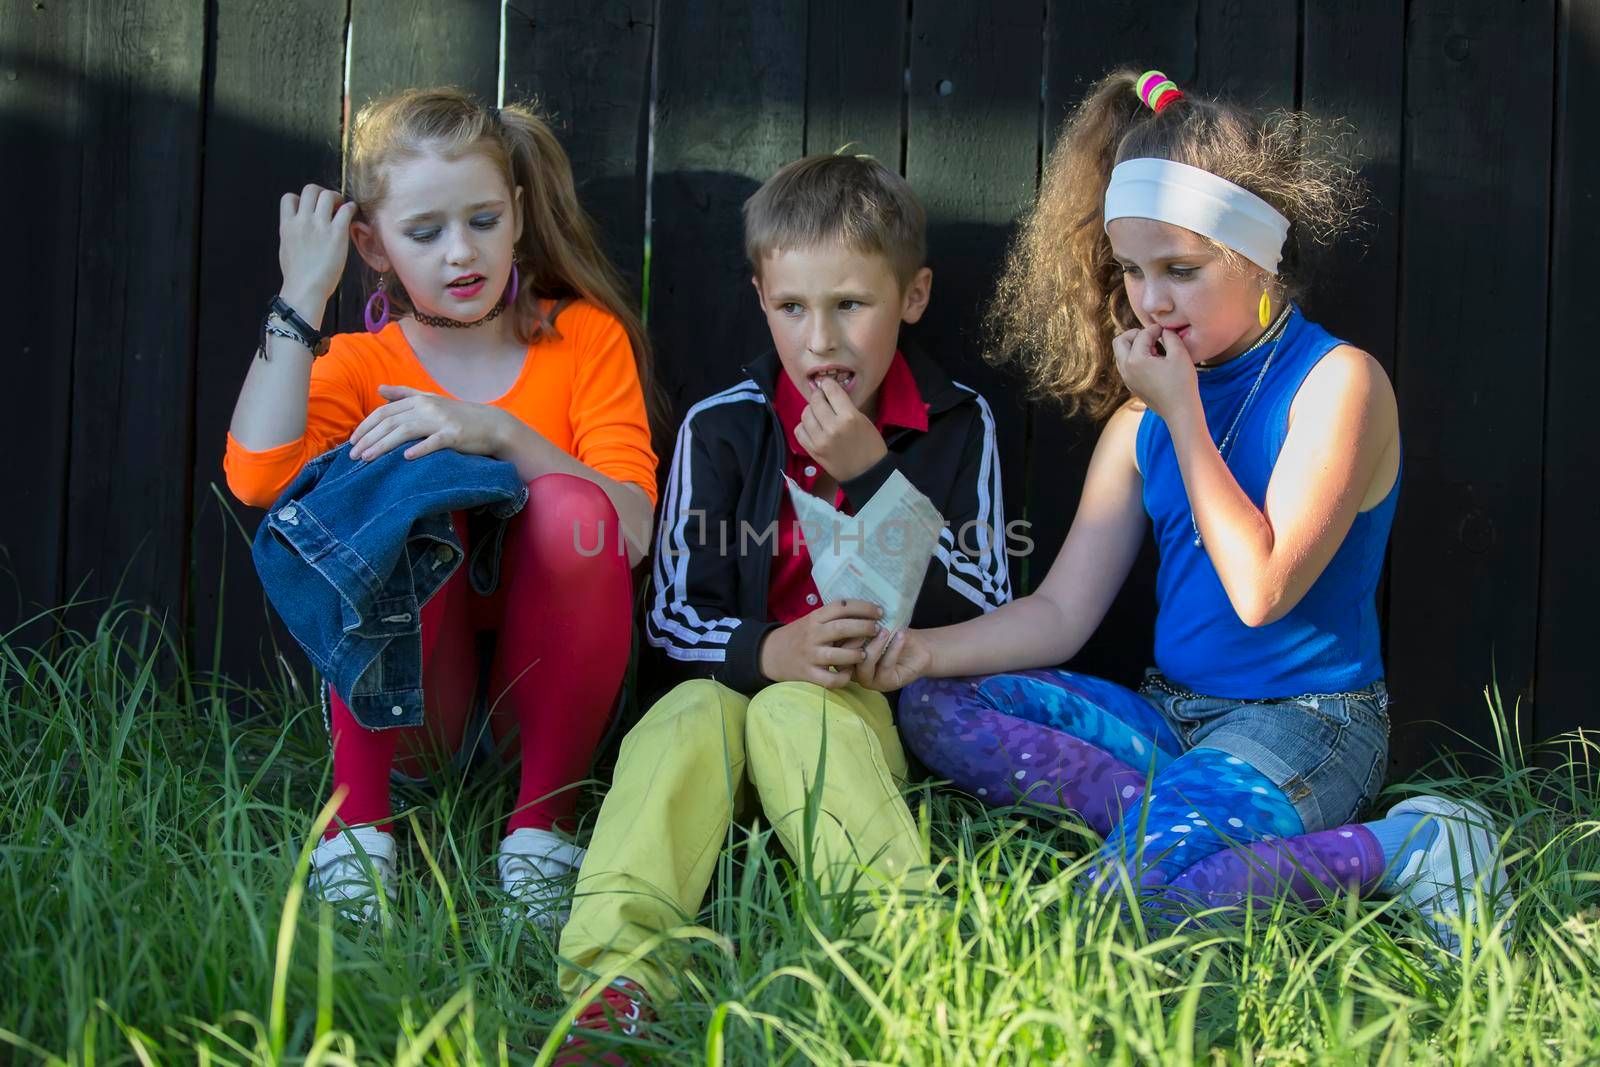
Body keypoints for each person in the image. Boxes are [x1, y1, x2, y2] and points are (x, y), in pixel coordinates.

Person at [852, 70, 1509, 953]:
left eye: (1181, 271)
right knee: (935, 704)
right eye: (1131, 270)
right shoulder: (1142, 421)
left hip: (1306, 726)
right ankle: (1176, 826)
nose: (1151, 301)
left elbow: (1262, 591)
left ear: (1258, 253)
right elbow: (1059, 612)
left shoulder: (1338, 386)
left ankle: (1406, 846)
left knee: (1124, 907)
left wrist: (1185, 417)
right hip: (1170, 719)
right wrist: (919, 651)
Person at [552, 153, 1012, 1063]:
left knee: (804, 707)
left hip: (864, 724)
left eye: (852, 304)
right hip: (725, 710)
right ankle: (615, 984)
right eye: (793, 307)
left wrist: (875, 478)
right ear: (761, 298)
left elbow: (989, 604)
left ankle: (907, 962)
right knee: (686, 712)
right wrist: (772, 650)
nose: (821, 339)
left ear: (912, 297)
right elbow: (673, 615)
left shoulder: (961, 423)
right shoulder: (722, 423)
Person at [224, 88, 660, 923]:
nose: (462, 253)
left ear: (521, 214)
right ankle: (357, 838)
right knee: (418, 485)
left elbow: (630, 528)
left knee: (570, 503)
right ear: (372, 245)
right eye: (424, 233)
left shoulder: (585, 340)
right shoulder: (360, 363)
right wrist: (302, 297)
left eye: (484, 221)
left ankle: (543, 837)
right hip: (408, 710)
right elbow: (256, 479)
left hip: (544, 716)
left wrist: (496, 432)